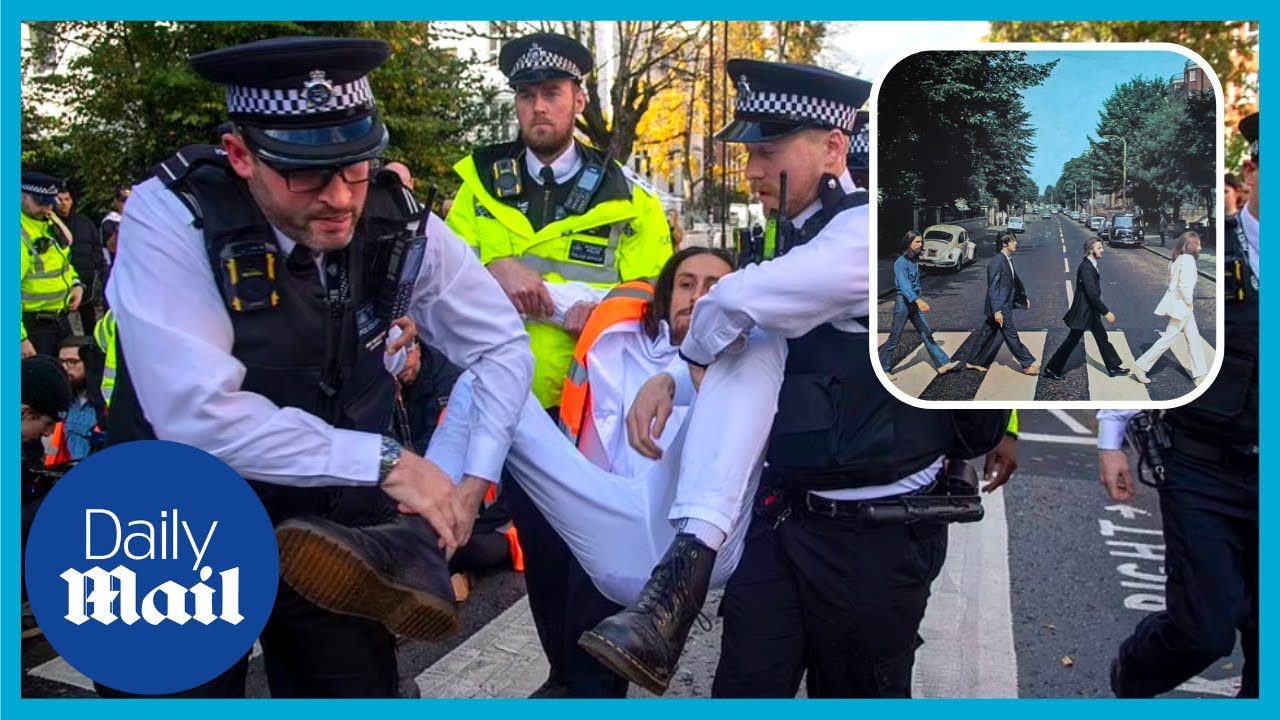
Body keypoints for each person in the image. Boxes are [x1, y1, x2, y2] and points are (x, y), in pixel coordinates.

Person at [101, 36, 532, 698]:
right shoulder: (173, 215)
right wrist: (388, 462)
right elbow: (196, 414)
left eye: (356, 167)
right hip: (173, 509)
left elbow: (501, 345)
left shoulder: (394, 218)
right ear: (240, 154)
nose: (340, 199)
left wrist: (469, 477)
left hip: (328, 525)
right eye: (305, 172)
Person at [592, 59, 1018, 698]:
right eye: (749, 153)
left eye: (767, 152)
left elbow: (729, 309)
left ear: (833, 147)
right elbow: (748, 345)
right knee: (742, 689)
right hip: (784, 520)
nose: (752, 170)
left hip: (874, 539)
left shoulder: (858, 237)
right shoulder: (784, 238)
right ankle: (681, 574)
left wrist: (692, 358)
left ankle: (682, 573)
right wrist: (678, 379)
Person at [427, 247, 784, 693]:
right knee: (490, 374)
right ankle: (422, 534)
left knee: (753, 351)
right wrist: (493, 267)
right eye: (687, 284)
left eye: (715, 287)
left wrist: (676, 376)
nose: (698, 297)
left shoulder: (752, 354)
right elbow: (519, 291)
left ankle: (670, 595)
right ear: (664, 293)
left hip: (696, 551)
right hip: (610, 516)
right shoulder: (618, 325)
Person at [444, 31, 673, 698]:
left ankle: (590, 686)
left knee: (598, 557)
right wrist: (491, 265)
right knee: (542, 555)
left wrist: (581, 303)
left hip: (595, 405)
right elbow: (442, 282)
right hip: (518, 403)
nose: (538, 107)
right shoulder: (478, 183)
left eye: (551, 94)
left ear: (577, 100)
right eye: (527, 96)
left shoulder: (628, 194)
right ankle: (562, 674)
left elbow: (654, 298)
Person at [1095, 111, 1258, 701]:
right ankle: (1133, 677)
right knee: (1204, 629)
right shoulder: (1218, 247)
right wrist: (1110, 439)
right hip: (1203, 465)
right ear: (1252, 170)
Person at [1041, 237, 1128, 380]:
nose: (1102, 250)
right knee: (1072, 340)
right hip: (1084, 312)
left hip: (1090, 311)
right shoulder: (1086, 267)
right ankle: (1052, 368)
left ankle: (1113, 367)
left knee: (1102, 339)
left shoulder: (1091, 265)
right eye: (1099, 248)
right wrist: (1106, 312)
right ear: (1090, 249)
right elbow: (1092, 294)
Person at [1126, 232, 1206, 385]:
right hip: (1183, 306)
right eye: (1198, 244)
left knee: (1194, 338)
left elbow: (1171, 282)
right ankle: (1141, 366)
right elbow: (1185, 286)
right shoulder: (1188, 260)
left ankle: (1201, 372)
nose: (1200, 247)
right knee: (1168, 338)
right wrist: (1189, 302)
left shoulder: (1176, 259)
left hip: (1179, 305)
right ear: (1190, 245)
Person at [878, 230, 959, 380]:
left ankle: (943, 364)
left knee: (926, 334)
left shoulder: (913, 261)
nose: (920, 244)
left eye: (921, 242)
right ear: (908, 243)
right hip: (904, 303)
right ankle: (882, 369)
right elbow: (904, 286)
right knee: (895, 337)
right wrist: (918, 300)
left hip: (913, 302)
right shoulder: (900, 262)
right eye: (916, 242)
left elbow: (913, 282)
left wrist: (918, 290)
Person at [20, 171, 84, 358]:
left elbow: (63, 262)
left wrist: (75, 284)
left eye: (50, 202)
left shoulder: (48, 221)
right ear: (22, 196)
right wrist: (21, 339)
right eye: (40, 203)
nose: (47, 208)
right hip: (34, 326)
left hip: (60, 320)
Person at [964, 233, 1039, 375]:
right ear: (1004, 244)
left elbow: (1013, 283)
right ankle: (1027, 364)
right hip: (1000, 306)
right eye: (1013, 241)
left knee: (987, 333)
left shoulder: (1007, 259)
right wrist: (997, 311)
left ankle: (972, 361)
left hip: (1002, 304)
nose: (1016, 243)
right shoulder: (997, 262)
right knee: (1011, 336)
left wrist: (1023, 298)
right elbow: (992, 288)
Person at [45, 336, 107, 465]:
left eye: (72, 362)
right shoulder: (60, 402)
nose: (65, 368)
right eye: (61, 362)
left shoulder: (107, 404)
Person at [55, 188, 107, 334]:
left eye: (67, 199)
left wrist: (94, 264)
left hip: (85, 278)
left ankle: (93, 349)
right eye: (60, 199)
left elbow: (97, 246)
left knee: (89, 318)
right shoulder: (49, 224)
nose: (63, 203)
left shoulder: (85, 223)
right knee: (61, 322)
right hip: (59, 280)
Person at [100, 187, 130, 261]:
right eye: (123, 201)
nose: (127, 204)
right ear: (116, 202)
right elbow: (112, 248)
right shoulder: (110, 221)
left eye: (130, 201)